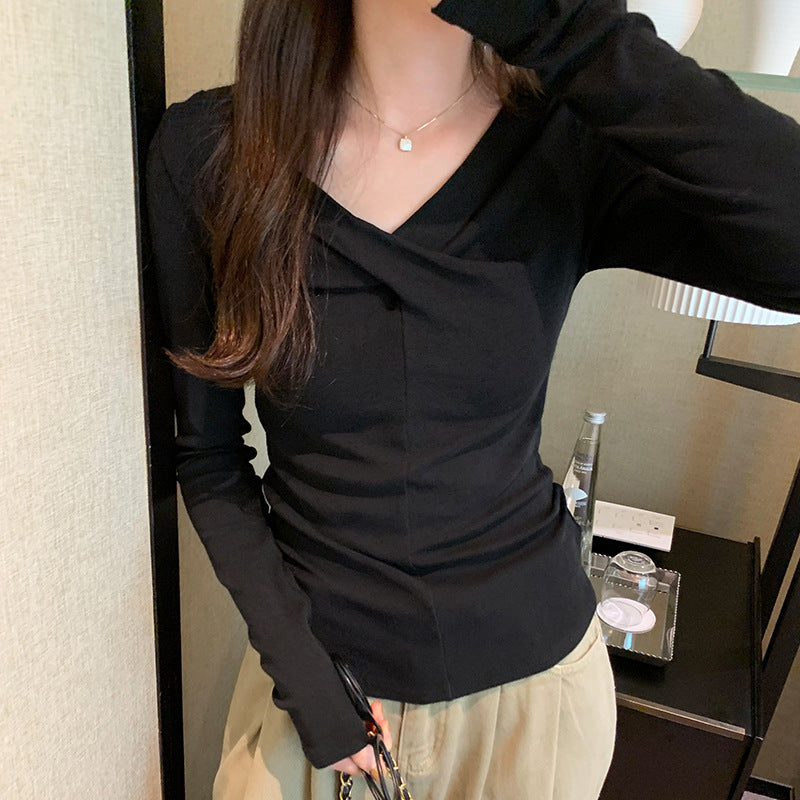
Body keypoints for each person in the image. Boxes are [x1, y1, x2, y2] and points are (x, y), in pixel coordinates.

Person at [145, 0, 800, 798]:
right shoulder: (211, 152)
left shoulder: (565, 140)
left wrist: (570, 32)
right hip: (321, 699)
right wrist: (303, 673)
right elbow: (209, 457)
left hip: (534, 704)